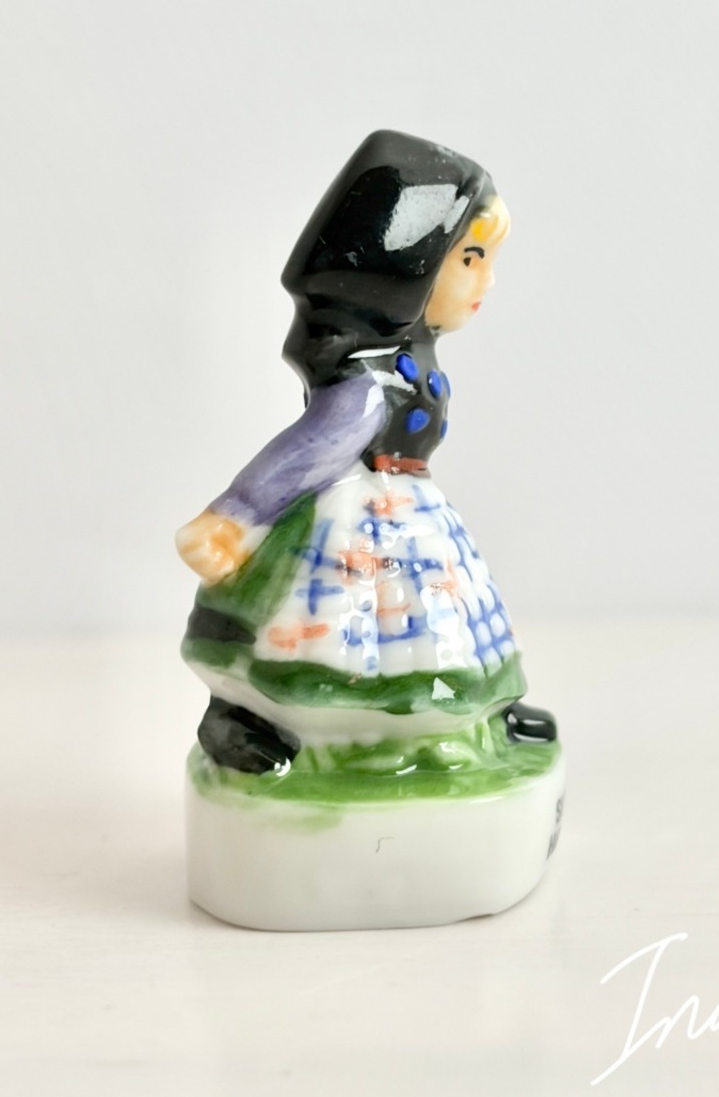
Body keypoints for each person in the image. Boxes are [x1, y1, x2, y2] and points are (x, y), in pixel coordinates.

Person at [176, 129, 556, 773]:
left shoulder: (409, 360)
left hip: (407, 510)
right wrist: (233, 517)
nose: (487, 280)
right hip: (356, 523)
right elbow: (312, 449)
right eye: (470, 258)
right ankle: (311, 727)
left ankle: (481, 713)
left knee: (451, 620)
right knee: (360, 640)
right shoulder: (367, 384)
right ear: (407, 269)